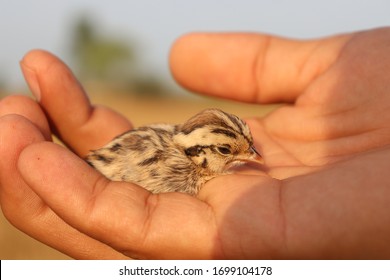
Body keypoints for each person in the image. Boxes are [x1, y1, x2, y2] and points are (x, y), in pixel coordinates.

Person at [1, 27, 390, 259]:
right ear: (198, 155)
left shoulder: (181, 141)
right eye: (226, 150)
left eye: (245, 145)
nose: (248, 155)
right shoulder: (179, 167)